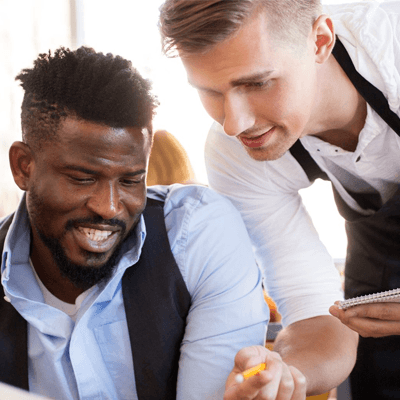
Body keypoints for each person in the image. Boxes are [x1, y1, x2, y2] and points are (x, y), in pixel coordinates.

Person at [158, 0, 400, 398]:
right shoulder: (233, 150)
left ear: (320, 40)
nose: (235, 123)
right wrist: (283, 374)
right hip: (379, 250)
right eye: (209, 91)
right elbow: (312, 312)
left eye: (257, 83)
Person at [0, 46, 270, 400]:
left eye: (130, 181)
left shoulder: (197, 232)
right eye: (82, 178)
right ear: (24, 167)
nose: (109, 208)